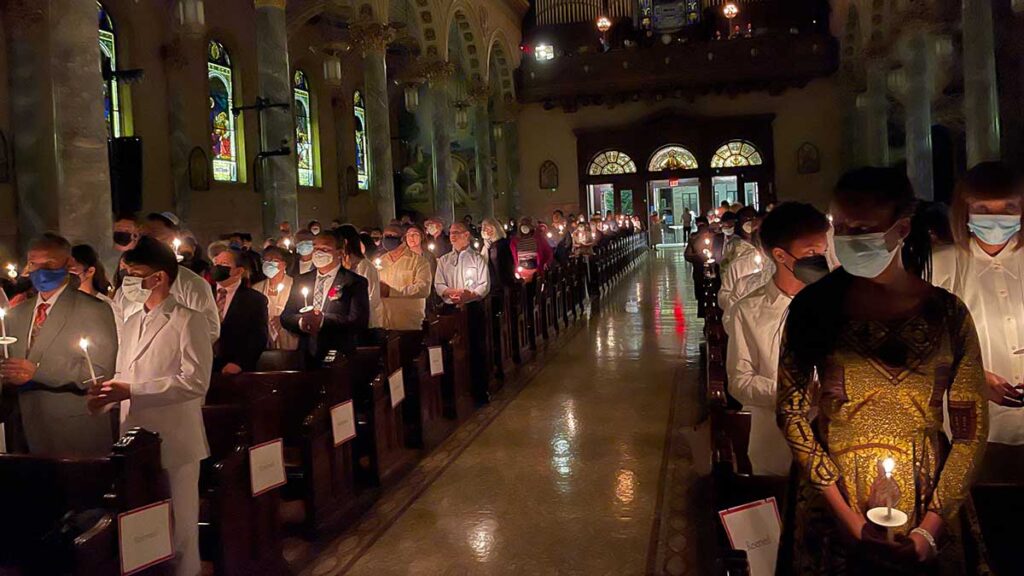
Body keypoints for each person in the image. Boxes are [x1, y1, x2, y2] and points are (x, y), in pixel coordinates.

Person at [777, 167, 987, 573]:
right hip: (833, 496)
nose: (848, 239)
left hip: (926, 492)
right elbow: (790, 412)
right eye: (841, 227)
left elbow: (970, 431)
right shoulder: (814, 309)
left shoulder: (947, 315)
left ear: (901, 229)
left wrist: (931, 528)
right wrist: (845, 517)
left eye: (862, 229)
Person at [87, 236, 212, 576]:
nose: (126, 282)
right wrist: (104, 397)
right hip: (134, 438)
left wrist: (132, 390)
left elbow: (195, 381)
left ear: (158, 277)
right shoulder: (131, 322)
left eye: (133, 274)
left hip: (175, 436)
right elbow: (124, 373)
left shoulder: (188, 319)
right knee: (144, 523)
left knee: (181, 525)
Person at [725, 203, 830, 476]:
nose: (821, 261)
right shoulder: (749, 311)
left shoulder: (833, 304)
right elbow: (739, 382)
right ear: (781, 255)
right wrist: (792, 392)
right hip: (774, 441)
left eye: (823, 252)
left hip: (831, 440)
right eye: (811, 253)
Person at [0, 234, 118, 456]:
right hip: (21, 429)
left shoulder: (93, 310)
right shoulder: (17, 314)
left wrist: (37, 371)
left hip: (71, 431)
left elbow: (100, 371)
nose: (40, 271)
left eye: (49, 264)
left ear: (68, 263)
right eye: (34, 264)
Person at [932, 161, 1024, 445]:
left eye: (1008, 207)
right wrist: (971, 376)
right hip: (971, 428)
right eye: (983, 208)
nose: (996, 218)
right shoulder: (938, 267)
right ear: (965, 211)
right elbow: (923, 344)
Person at [115, 212, 221, 343]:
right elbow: (119, 333)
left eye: (156, 235)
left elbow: (209, 330)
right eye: (144, 236)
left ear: (172, 240)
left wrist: (170, 347)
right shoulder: (127, 288)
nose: (149, 242)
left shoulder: (191, 284)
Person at [281, 231, 369, 361]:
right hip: (306, 353)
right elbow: (286, 316)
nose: (318, 253)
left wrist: (322, 320)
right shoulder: (301, 280)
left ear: (340, 252)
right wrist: (301, 322)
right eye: (315, 248)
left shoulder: (354, 282)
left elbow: (359, 321)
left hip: (339, 354)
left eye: (325, 249)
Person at [209, 245, 268, 374]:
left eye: (224, 264)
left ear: (239, 270)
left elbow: (258, 337)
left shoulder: (255, 300)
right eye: (216, 263)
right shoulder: (203, 294)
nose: (217, 267)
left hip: (235, 369)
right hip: (204, 365)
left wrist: (240, 363)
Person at [378, 225, 432, 330]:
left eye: (391, 236)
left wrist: (391, 292)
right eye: (385, 236)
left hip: (408, 324)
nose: (387, 239)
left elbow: (423, 289)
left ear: (402, 238)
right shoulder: (380, 261)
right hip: (383, 322)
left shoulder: (419, 262)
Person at [719, 206, 765, 314]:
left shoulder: (770, 253)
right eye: (746, 219)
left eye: (752, 218)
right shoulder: (734, 247)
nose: (750, 222)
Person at [337, 226, 383, 332]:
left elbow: (373, 299)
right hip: (343, 322)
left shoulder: (365, 266)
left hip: (363, 324)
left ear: (345, 242)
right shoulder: (340, 265)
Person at [435, 222, 490, 305]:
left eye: (456, 232)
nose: (452, 235)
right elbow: (439, 284)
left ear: (466, 235)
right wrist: (453, 293)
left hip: (472, 306)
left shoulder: (478, 259)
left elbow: (484, 285)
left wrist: (470, 295)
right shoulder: (444, 260)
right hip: (450, 307)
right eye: (450, 233)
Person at [510, 218, 554, 283]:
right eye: (523, 224)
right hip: (522, 272)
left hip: (537, 272)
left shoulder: (539, 238)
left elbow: (548, 252)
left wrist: (546, 263)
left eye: (527, 224)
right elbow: (514, 257)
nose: (525, 226)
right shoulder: (515, 241)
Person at [480, 217, 516, 291]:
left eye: (489, 228)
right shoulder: (484, 245)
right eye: (484, 228)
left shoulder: (503, 244)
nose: (486, 231)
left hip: (502, 282)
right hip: (490, 283)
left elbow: (508, 263)